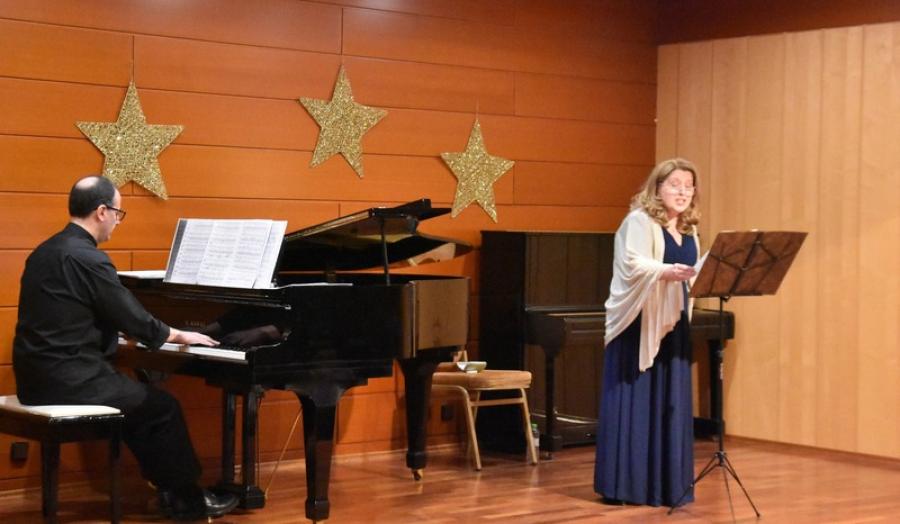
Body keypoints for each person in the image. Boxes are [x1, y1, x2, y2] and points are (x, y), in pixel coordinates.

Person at [12, 176, 239, 521]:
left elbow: (73, 312)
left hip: (35, 378)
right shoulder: (89, 258)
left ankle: (167, 492)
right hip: (71, 379)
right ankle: (189, 503)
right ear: (101, 211)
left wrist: (120, 331)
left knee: (140, 405)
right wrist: (177, 335)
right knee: (162, 408)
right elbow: (131, 317)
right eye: (119, 213)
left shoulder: (44, 252)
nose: (118, 222)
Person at [594, 158, 700, 507]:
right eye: (675, 185)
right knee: (638, 402)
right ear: (658, 188)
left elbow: (692, 271)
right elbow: (632, 263)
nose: (682, 192)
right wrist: (666, 271)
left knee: (671, 403)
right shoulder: (639, 221)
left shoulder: (689, 229)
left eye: (688, 186)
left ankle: (667, 486)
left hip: (673, 323)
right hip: (639, 323)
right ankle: (626, 486)